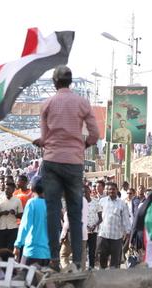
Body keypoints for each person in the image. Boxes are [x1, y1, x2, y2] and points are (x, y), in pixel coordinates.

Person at [35, 65, 99, 270]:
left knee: (53, 211)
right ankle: (78, 263)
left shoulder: (47, 104)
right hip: (73, 162)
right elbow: (94, 135)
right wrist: (83, 144)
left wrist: (41, 142)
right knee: (75, 212)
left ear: (54, 82)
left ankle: (54, 259)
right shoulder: (82, 103)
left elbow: (45, 138)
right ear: (70, 82)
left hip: (52, 161)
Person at [13, 180, 50, 266]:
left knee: (25, 278)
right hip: (47, 253)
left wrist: (17, 245)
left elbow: (25, 226)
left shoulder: (31, 203)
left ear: (32, 189)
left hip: (32, 251)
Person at [97, 182, 131, 269]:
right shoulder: (102, 201)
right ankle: (102, 278)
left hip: (116, 237)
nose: (111, 191)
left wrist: (128, 231)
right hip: (103, 235)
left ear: (117, 190)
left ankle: (113, 279)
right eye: (109, 189)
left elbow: (126, 219)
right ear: (107, 191)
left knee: (115, 262)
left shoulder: (122, 203)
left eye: (113, 189)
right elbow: (98, 217)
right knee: (102, 259)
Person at [0, 181, 23, 256]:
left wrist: (15, 213)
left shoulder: (17, 200)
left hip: (13, 228)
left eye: (9, 189)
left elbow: (21, 215)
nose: (6, 190)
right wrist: (2, 213)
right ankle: (2, 266)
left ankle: (9, 266)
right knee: (1, 250)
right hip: (1, 228)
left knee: (10, 250)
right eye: (6, 189)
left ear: (13, 190)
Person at [86, 184, 102, 270]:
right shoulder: (80, 203)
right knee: (83, 251)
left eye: (86, 191)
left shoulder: (96, 202)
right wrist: (86, 226)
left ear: (90, 191)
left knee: (92, 251)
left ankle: (91, 267)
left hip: (93, 231)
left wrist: (94, 226)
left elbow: (100, 218)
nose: (84, 193)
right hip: (83, 231)